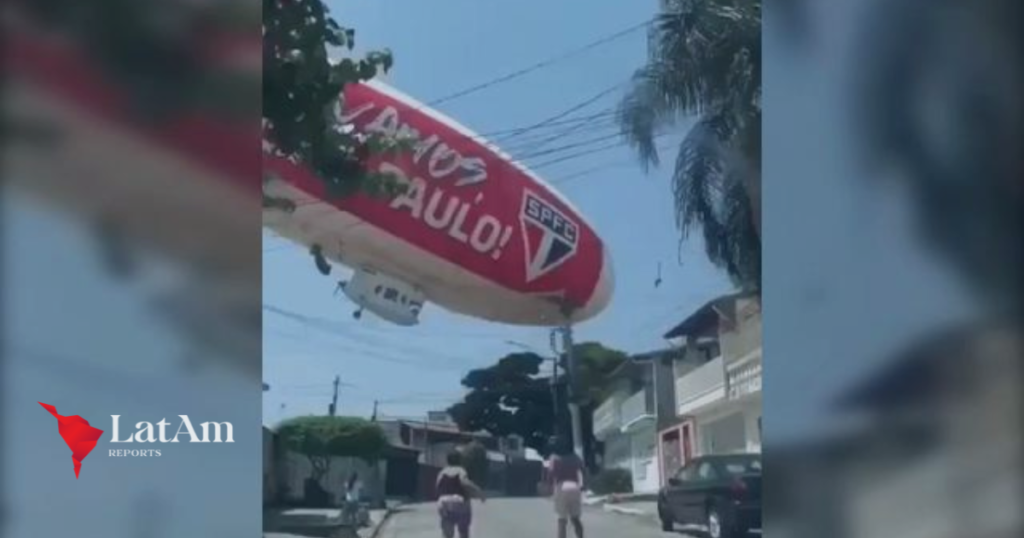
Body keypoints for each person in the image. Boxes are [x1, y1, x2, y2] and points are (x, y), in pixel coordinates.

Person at [436, 450, 485, 538]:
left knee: (447, 534)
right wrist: (479, 492)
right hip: (459, 503)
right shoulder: (461, 470)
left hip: (443, 503)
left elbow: (437, 487)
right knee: (463, 531)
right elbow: (465, 483)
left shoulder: (442, 472)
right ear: (460, 460)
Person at [545, 436, 585, 538]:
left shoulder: (554, 458)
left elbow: (551, 474)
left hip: (561, 487)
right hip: (574, 487)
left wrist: (549, 487)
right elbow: (583, 471)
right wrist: (583, 486)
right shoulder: (575, 457)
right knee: (575, 518)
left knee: (562, 520)